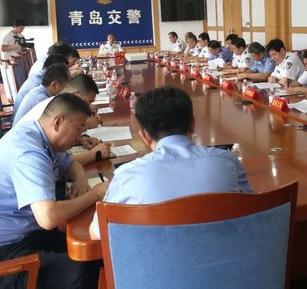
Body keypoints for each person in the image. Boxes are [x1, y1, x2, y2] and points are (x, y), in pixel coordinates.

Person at [0, 93, 108, 289]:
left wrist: (80, 180)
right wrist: (95, 194)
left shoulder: (39, 135)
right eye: (78, 129)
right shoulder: (28, 152)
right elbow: (48, 218)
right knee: (80, 271)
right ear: (58, 122)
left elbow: (70, 164)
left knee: (94, 246)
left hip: (19, 235)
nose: (79, 137)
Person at [89, 86, 253, 239]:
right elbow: (252, 211)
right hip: (227, 258)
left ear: (144, 136)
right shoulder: (227, 162)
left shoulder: (126, 175)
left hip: (155, 260)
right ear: (192, 124)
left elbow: (96, 233)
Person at [18, 74, 113, 165]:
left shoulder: (57, 103)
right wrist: (94, 154)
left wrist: (81, 139)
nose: (88, 107)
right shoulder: (54, 110)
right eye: (88, 102)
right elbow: (58, 163)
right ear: (75, 95)